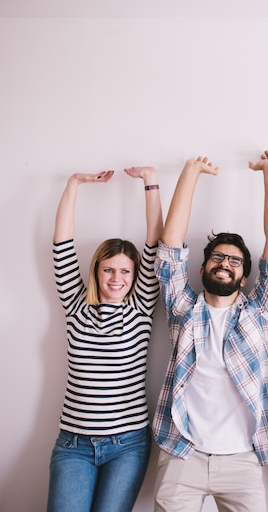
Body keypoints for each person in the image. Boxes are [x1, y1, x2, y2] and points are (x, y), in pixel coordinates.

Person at [152, 151, 268, 512]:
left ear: (245, 277)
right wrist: (190, 172)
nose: (225, 263)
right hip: (183, 451)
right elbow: (169, 251)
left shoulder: (260, 313)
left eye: (234, 260)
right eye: (217, 257)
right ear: (203, 267)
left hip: (242, 458)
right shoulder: (183, 308)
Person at [47, 167, 163, 512]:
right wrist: (72, 184)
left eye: (126, 270)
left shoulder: (141, 306)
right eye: (108, 269)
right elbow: (61, 244)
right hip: (73, 445)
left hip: (127, 445)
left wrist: (150, 182)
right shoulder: (75, 303)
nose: (117, 278)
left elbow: (154, 241)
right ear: (96, 270)